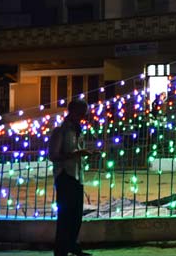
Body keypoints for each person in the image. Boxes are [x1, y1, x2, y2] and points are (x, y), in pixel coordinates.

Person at [49, 99, 95, 256]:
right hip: (65, 176)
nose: (84, 116)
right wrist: (77, 154)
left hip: (77, 175)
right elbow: (53, 156)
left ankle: (72, 245)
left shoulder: (77, 130)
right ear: (73, 112)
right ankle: (61, 250)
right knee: (65, 216)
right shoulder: (60, 131)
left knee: (76, 215)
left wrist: (83, 153)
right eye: (82, 113)